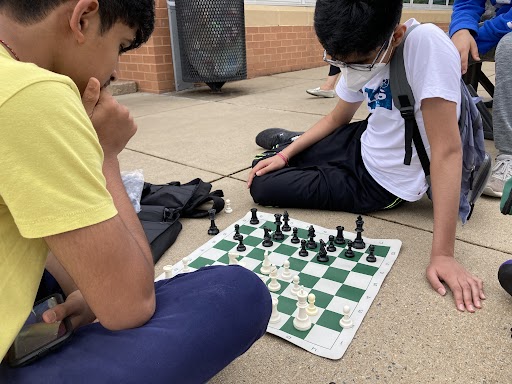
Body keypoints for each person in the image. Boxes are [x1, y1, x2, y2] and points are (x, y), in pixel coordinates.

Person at [0, 1, 270, 382]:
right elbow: (131, 305)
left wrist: (97, 291)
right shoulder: (33, 94)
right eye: (121, 46)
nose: (115, 71)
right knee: (239, 293)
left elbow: (37, 233)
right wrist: (106, 154)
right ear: (83, 18)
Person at [248, 0, 486, 313]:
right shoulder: (358, 43)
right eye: (337, 62)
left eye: (357, 63)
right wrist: (286, 155)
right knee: (272, 163)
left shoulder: (425, 46)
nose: (348, 71)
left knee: (261, 186)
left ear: (396, 36)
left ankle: (288, 141)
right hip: (364, 137)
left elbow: (447, 150)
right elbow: (337, 117)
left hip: (382, 182)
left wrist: (443, 254)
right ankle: (288, 143)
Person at [450, 0, 512, 197]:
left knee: (509, 49)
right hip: (497, 22)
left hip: (503, 32)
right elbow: (468, 2)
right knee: (438, 47)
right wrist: (461, 30)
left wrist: (478, 38)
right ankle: (420, 138)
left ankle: (509, 154)